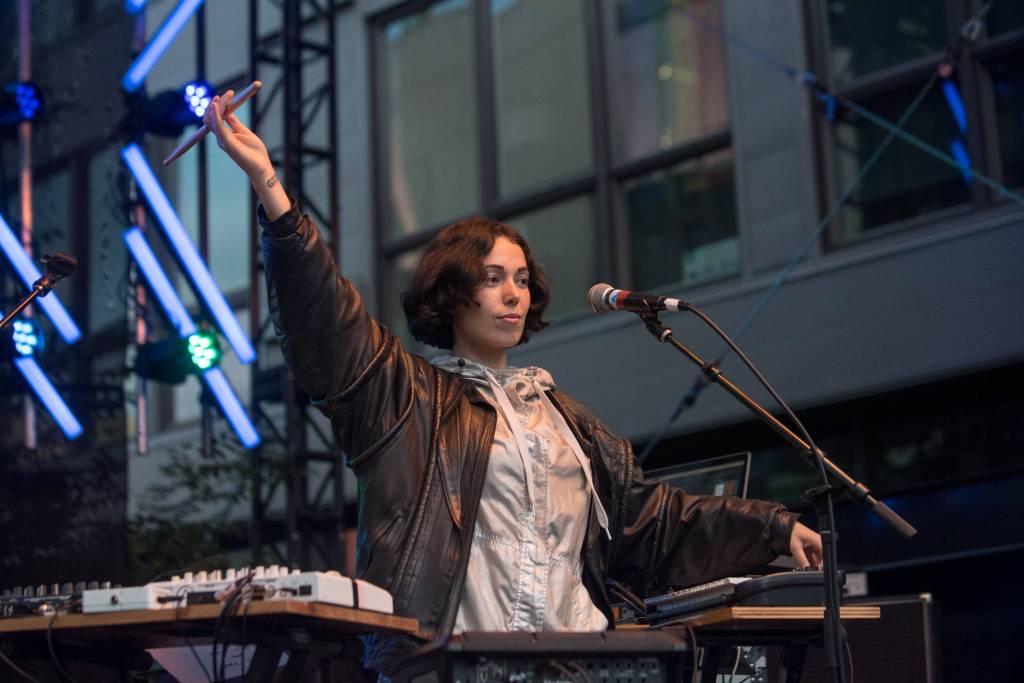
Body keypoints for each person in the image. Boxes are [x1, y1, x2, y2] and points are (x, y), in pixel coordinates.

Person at [204, 91, 823, 676]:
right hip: (455, 665)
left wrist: (771, 526)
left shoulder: (567, 420)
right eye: (493, 277)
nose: (513, 294)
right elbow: (326, 322)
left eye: (522, 279)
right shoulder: (406, 399)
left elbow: (654, 521)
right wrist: (270, 187)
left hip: (579, 663)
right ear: (451, 293)